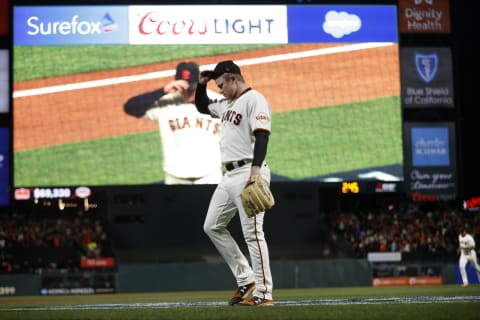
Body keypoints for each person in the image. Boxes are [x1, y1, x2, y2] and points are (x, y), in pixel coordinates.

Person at [194, 60, 274, 306]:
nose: (218, 89)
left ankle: (264, 293)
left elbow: (262, 135)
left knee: (253, 234)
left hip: (248, 171)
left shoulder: (254, 99)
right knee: (212, 225)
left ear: (232, 78)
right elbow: (202, 107)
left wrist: (256, 170)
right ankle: (246, 278)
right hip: (228, 177)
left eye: (220, 85)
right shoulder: (228, 104)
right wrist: (201, 85)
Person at [124, 61, 223, 185]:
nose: (187, 93)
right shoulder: (165, 103)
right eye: (183, 88)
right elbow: (130, 107)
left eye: (191, 88)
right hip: (175, 178)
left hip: (210, 177)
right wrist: (162, 91)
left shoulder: (218, 103)